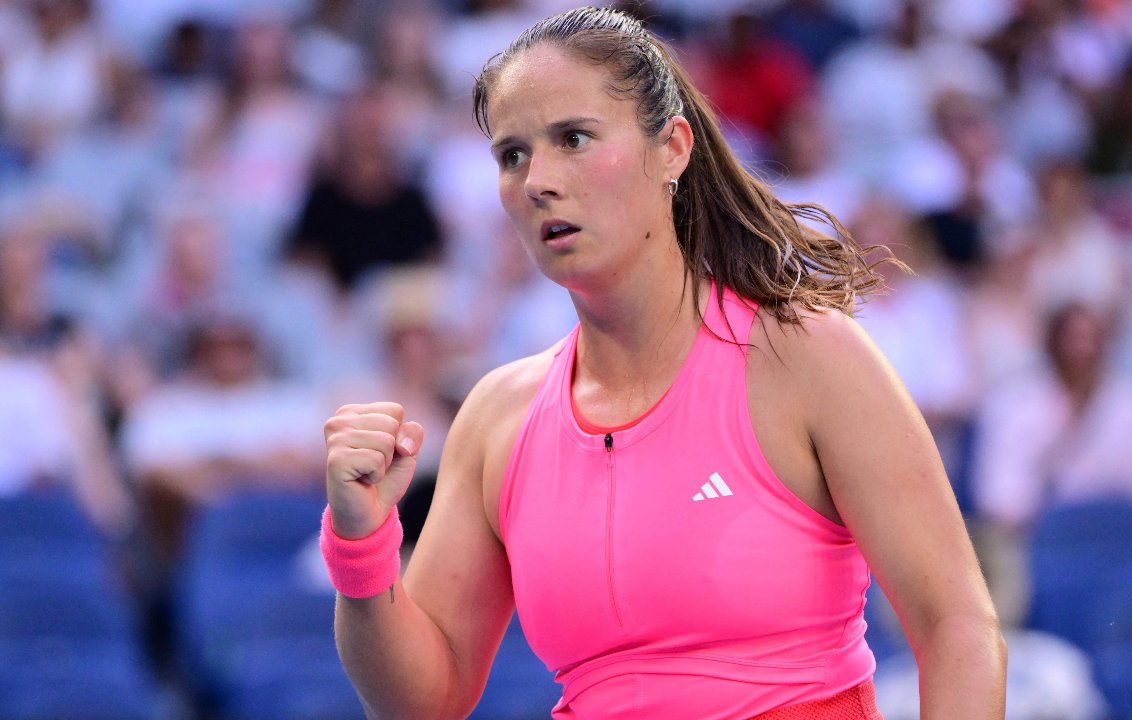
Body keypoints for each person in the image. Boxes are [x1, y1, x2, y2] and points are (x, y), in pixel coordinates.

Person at [318, 7, 1005, 719]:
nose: (538, 181)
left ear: (672, 148)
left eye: (574, 139)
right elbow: (422, 700)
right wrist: (361, 543)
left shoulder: (805, 354)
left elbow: (957, 625)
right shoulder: (497, 416)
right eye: (512, 155)